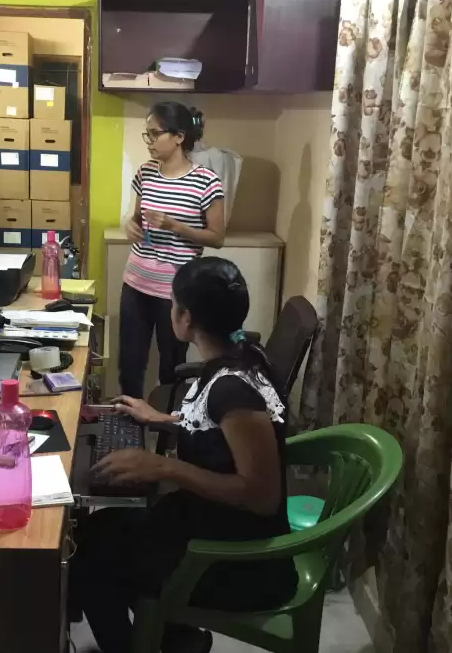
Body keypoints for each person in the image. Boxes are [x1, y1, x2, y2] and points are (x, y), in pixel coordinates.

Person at [70, 257, 297, 653]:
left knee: (90, 559)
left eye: (172, 303)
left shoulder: (233, 391)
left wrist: (163, 466)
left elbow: (262, 497)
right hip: (211, 526)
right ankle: (176, 638)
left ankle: (145, 642)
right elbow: (218, 434)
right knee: (96, 531)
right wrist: (161, 419)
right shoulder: (242, 354)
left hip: (237, 562)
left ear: (186, 318)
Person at [119, 102, 226, 399]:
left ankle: (166, 421)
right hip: (136, 282)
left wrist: (174, 226)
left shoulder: (206, 181)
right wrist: (131, 226)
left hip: (175, 291)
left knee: (171, 366)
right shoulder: (146, 173)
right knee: (130, 364)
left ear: (179, 136)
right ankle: (128, 418)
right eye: (147, 135)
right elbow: (136, 218)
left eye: (155, 134)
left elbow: (217, 237)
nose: (150, 142)